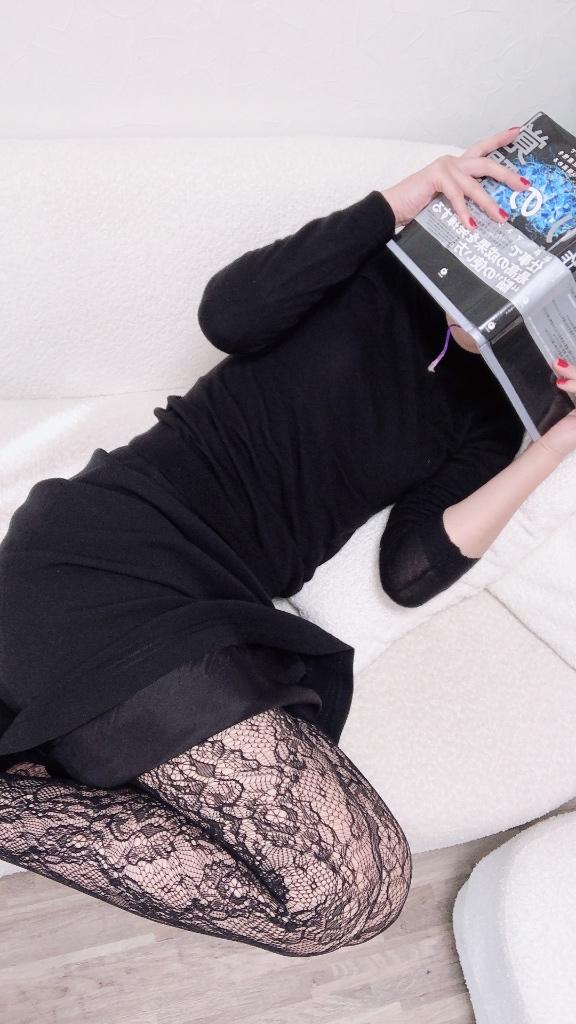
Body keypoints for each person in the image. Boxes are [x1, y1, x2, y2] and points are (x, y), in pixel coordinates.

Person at [1, 125, 576, 958]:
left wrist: (558, 438)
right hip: (109, 548)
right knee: (349, 890)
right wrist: (401, 201)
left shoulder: (493, 419)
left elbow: (413, 570)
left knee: (350, 897)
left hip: (213, 608)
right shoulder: (378, 267)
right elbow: (228, 314)